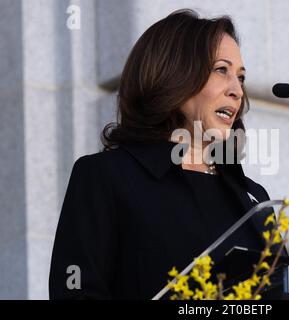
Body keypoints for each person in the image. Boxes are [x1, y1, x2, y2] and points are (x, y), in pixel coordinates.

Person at [49, 9, 273, 300]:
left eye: (240, 77)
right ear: (175, 74)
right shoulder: (107, 176)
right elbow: (75, 291)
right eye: (221, 70)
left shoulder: (252, 198)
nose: (237, 90)